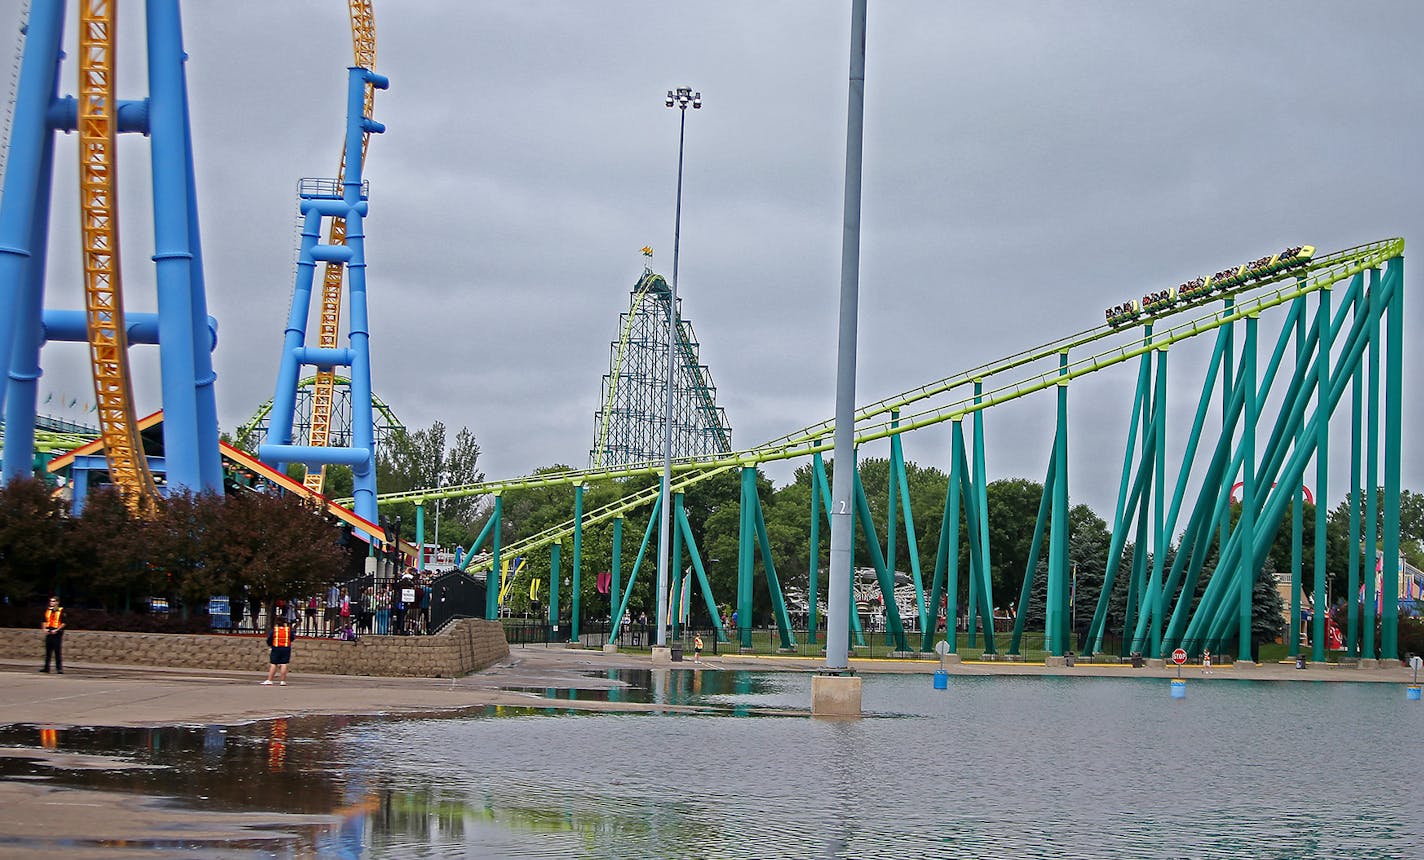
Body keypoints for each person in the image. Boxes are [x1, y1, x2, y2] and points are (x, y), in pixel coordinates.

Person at [262, 608, 294, 686]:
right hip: (286, 648)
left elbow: (269, 639)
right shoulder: (288, 630)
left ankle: (270, 680)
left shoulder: (275, 630)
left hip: (276, 648)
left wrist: (270, 645)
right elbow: (292, 638)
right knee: (284, 664)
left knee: (273, 664)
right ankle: (282, 681)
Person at [40, 596, 64, 674]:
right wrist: (44, 629)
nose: (51, 603)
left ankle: (59, 668)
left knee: (57, 651)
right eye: (51, 601)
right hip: (49, 631)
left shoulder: (61, 611)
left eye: (53, 601)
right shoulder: (48, 610)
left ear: (57, 602)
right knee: (48, 651)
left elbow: (64, 623)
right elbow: (44, 620)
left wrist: (57, 630)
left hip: (57, 632)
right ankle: (46, 668)